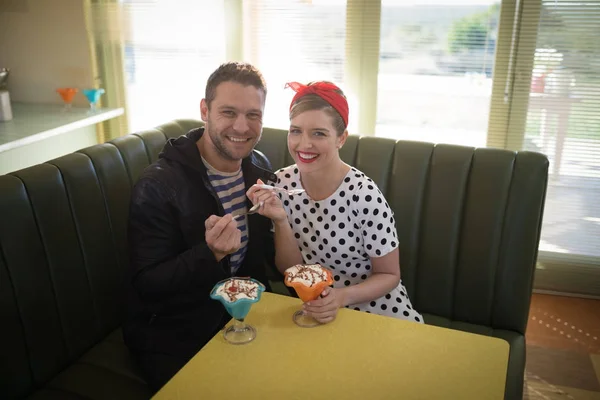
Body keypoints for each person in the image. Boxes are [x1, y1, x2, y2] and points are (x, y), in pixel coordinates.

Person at [123, 62, 278, 391]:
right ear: (205, 110)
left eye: (254, 115)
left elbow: (260, 260)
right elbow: (147, 284)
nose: (242, 126)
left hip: (241, 317)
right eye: (228, 112)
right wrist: (210, 254)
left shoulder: (259, 168)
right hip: (174, 332)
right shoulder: (159, 185)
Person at [247, 81, 422, 324]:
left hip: (379, 313)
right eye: (296, 131)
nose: (304, 144)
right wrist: (280, 219)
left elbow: (390, 274)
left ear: (341, 138)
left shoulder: (364, 194)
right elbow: (291, 270)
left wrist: (341, 297)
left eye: (318, 133)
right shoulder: (282, 183)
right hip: (319, 312)